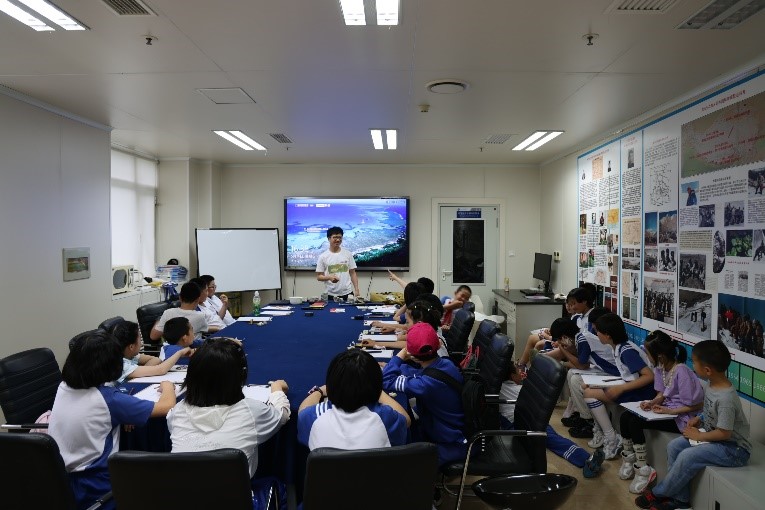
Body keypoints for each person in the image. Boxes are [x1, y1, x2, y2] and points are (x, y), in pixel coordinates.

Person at [48, 330, 177, 510]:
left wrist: (122, 416)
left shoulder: (64, 386)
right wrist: (168, 386)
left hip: (60, 478)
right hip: (99, 486)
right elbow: (166, 406)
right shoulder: (108, 399)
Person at [636, 340, 751, 510]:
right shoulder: (713, 385)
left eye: (694, 362)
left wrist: (699, 436)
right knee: (674, 446)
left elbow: (725, 433)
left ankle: (660, 492)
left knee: (688, 456)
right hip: (715, 439)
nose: (692, 366)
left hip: (734, 450)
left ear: (707, 370)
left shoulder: (726, 398)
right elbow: (711, 411)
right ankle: (681, 501)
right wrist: (700, 418)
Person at [167, 338, 290, 491]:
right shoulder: (250, 411)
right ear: (240, 376)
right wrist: (277, 389)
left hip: (180, 496)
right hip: (235, 497)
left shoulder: (178, 412)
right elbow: (282, 415)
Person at [618, 330, 703, 493]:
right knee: (625, 417)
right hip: (667, 411)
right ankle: (628, 457)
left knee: (635, 422)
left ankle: (643, 468)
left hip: (681, 417)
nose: (646, 356)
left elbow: (697, 405)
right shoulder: (660, 368)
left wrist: (670, 411)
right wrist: (653, 402)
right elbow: (662, 393)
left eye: (648, 353)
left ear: (660, 356)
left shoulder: (682, 371)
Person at [382, 322, 466, 466]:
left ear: (412, 355)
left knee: (402, 463)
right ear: (438, 345)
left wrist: (400, 356)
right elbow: (415, 373)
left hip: (453, 443)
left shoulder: (426, 384)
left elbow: (387, 380)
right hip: (447, 428)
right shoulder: (446, 364)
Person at [297, 349, 409, 450]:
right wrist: (377, 390)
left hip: (327, 468)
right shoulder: (384, 417)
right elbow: (406, 419)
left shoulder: (317, 417)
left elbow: (302, 411)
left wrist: (319, 391)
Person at [582, 313, 654, 460]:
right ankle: (602, 431)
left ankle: (611, 437)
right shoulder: (618, 347)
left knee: (589, 393)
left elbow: (649, 376)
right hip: (631, 387)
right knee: (586, 387)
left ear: (607, 335)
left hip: (641, 393)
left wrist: (620, 388)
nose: (596, 334)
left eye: (598, 331)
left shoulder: (627, 351)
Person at [110, 319, 191, 383]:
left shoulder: (129, 354)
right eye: (139, 339)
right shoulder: (122, 365)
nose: (141, 343)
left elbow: (156, 359)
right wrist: (180, 353)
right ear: (131, 347)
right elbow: (161, 370)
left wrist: (142, 372)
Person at [315, 226, 361, 301]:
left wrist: (356, 289)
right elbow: (319, 276)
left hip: (348, 293)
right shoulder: (323, 256)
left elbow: (353, 273)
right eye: (335, 237)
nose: (338, 240)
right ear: (329, 238)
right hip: (330, 295)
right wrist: (329, 277)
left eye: (340, 237)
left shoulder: (348, 254)